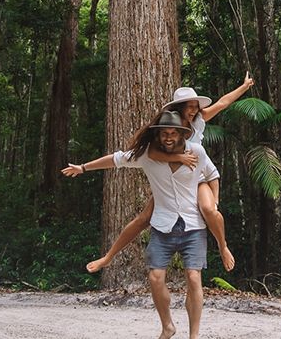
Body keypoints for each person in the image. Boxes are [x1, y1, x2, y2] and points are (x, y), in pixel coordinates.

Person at [62, 111, 224, 339]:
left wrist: (214, 201)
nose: (168, 137)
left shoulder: (196, 151)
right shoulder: (146, 155)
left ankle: (194, 336)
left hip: (192, 225)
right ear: (158, 136)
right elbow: (115, 159)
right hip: (163, 225)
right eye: (164, 133)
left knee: (194, 277)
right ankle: (168, 326)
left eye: (173, 133)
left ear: (181, 134)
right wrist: (83, 167)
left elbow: (212, 173)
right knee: (155, 277)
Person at [83, 72, 254, 273]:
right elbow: (151, 153)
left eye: (195, 106)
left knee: (210, 210)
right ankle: (108, 257)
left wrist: (244, 87)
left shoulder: (198, 120)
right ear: (179, 107)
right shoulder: (168, 127)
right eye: (190, 106)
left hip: (196, 178)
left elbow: (222, 103)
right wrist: (178, 158)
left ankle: (223, 246)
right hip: (172, 182)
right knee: (142, 220)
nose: (194, 110)